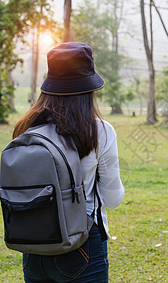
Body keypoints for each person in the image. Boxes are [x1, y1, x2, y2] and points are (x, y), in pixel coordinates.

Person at [12, 42, 124, 282]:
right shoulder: (100, 131)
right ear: (88, 90)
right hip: (82, 242)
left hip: (33, 245)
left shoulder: (27, 129)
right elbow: (113, 200)